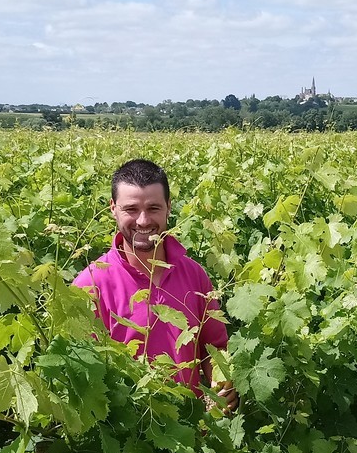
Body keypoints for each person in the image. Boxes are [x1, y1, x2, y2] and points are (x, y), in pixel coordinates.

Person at [74, 158, 238, 413]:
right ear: (113, 209)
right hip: (127, 435)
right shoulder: (90, 284)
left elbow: (214, 347)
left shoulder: (194, 274)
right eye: (131, 209)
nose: (142, 221)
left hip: (192, 434)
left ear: (168, 208)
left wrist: (221, 384)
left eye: (153, 208)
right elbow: (82, 372)